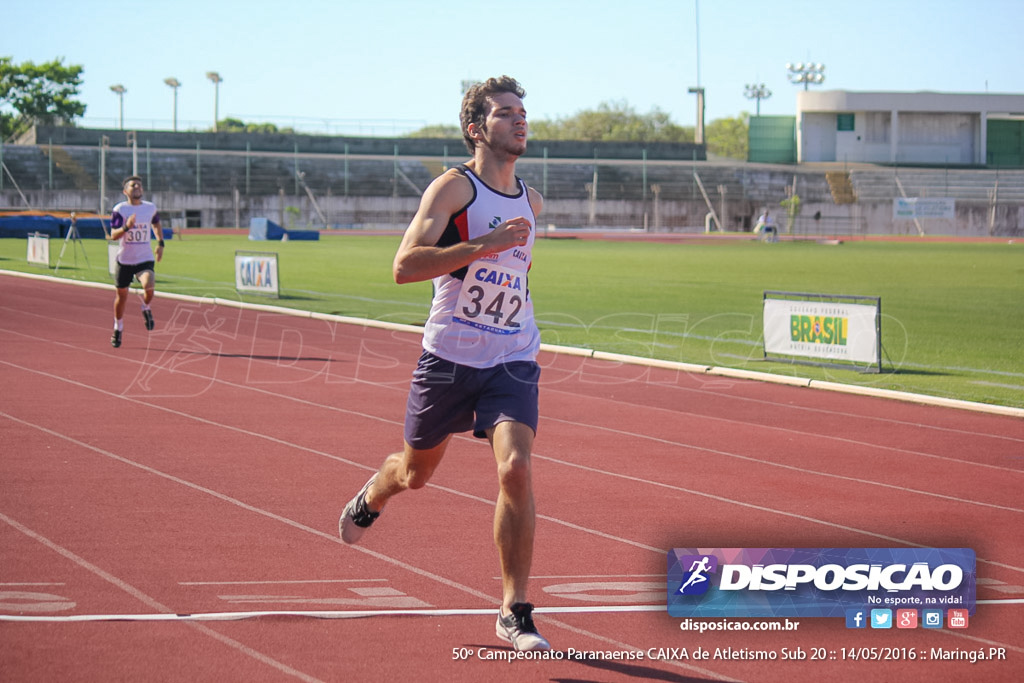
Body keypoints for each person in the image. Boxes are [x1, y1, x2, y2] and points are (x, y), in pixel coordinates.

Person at [339, 76, 550, 652]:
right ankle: (377, 493)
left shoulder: (532, 200)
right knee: (415, 474)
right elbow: (405, 265)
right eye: (506, 113)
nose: (520, 120)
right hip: (449, 358)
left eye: (523, 112)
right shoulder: (453, 190)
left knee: (516, 470)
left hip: (512, 353)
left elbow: (514, 278)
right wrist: (483, 245)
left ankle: (514, 609)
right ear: (476, 129)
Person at [108, 175, 164, 348]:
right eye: (133, 185)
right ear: (126, 191)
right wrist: (126, 227)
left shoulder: (150, 208)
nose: (137, 187)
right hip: (125, 259)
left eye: (139, 185)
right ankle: (118, 327)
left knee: (149, 286)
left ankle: (145, 307)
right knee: (122, 296)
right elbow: (113, 235)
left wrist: (160, 243)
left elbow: (156, 224)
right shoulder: (120, 209)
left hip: (144, 258)